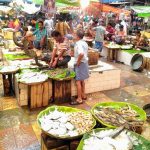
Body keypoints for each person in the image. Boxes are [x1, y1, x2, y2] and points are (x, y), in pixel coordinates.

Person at [70, 29, 89, 105]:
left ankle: (79, 99)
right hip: (84, 63)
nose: (73, 36)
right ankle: (83, 95)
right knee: (82, 81)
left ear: (77, 36)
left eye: (74, 34)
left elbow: (81, 54)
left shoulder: (78, 44)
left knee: (78, 82)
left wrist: (77, 62)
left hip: (80, 63)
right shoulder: (85, 43)